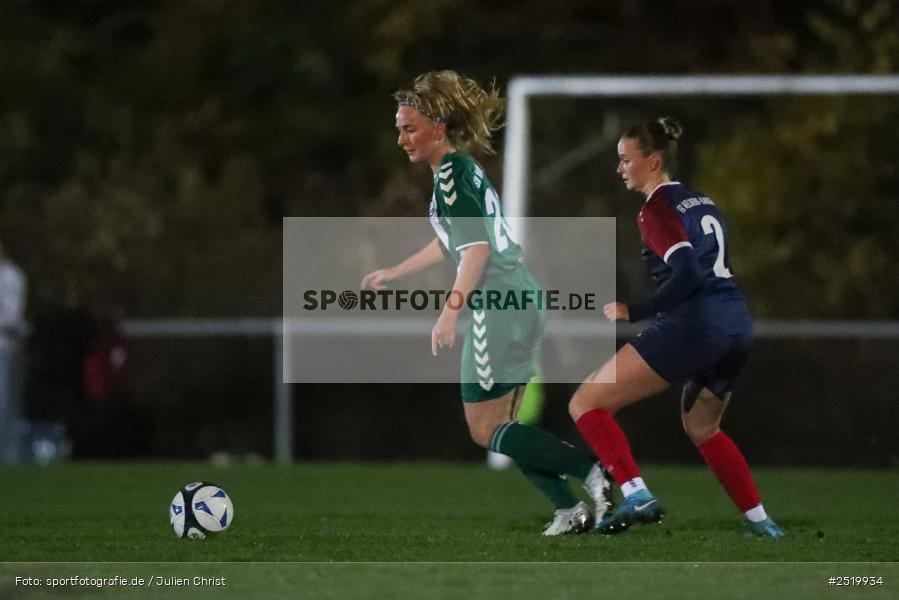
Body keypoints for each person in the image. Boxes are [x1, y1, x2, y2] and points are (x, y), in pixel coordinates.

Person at [361, 70, 610, 535]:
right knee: (505, 425)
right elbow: (451, 241)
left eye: (409, 128)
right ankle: (568, 508)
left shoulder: (452, 176)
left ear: (438, 128)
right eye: (398, 128)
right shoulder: (458, 170)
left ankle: (596, 473)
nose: (401, 138)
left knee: (484, 428)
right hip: (519, 294)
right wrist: (397, 272)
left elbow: (475, 251)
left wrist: (449, 312)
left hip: (496, 302)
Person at [569, 117, 784, 537]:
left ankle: (635, 493)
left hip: (695, 325)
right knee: (703, 427)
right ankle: (763, 524)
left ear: (652, 161)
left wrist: (638, 310)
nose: (619, 169)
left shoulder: (656, 209)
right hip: (736, 324)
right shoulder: (701, 201)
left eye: (625, 159)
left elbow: (686, 273)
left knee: (586, 403)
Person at [0, 237, 27, 463]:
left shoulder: (11, 276)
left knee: (5, 406)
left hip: (5, 348)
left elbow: (12, 318)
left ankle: (8, 458)